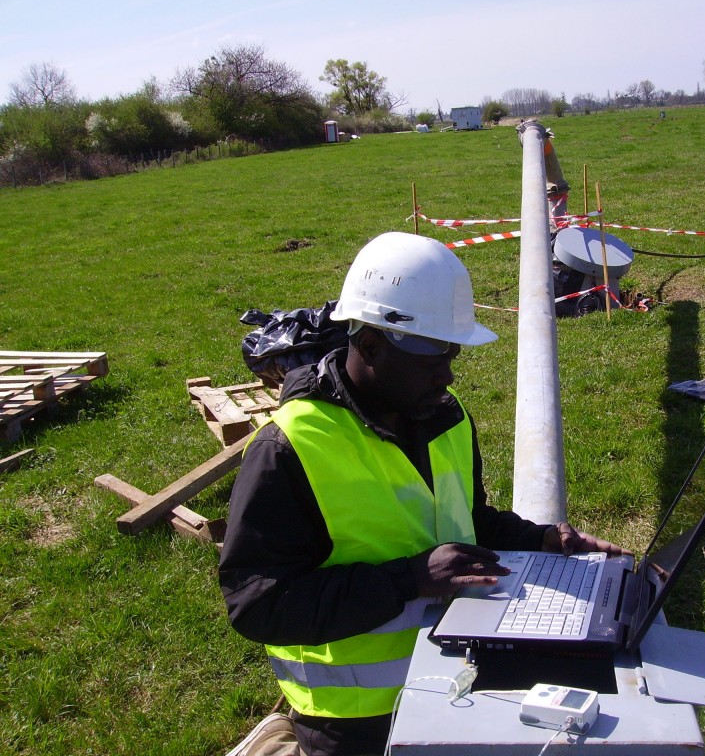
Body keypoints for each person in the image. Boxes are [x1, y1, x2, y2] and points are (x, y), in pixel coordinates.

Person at [219, 232, 626, 756]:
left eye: (452, 354)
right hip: (357, 719)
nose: (448, 375)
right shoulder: (289, 448)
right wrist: (409, 579)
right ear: (368, 345)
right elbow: (257, 604)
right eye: (432, 360)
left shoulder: (444, 415)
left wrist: (544, 538)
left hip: (462, 674)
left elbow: (468, 523)